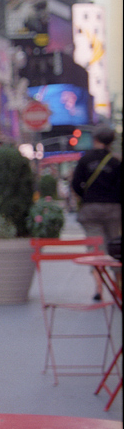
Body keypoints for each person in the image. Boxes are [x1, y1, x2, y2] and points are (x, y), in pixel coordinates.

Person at [71, 125, 121, 300]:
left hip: (90, 209)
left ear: (95, 139)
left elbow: (76, 184)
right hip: (113, 209)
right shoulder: (116, 162)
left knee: (95, 249)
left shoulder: (85, 160)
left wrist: (87, 197)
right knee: (116, 247)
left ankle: (99, 289)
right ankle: (117, 287)